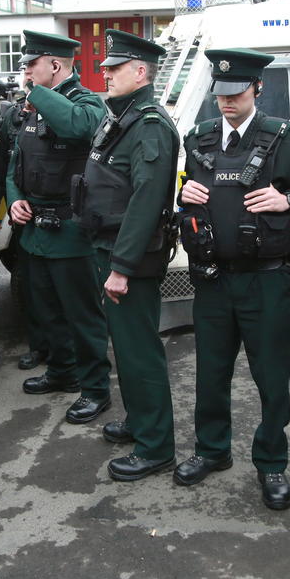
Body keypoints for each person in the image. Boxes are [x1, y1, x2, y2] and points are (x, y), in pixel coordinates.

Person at [175, 48, 290, 509]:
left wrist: (288, 200)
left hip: (265, 280)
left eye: (236, 93)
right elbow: (192, 196)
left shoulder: (284, 138)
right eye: (221, 93)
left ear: (257, 89)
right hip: (213, 280)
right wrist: (185, 193)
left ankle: (272, 464)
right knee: (211, 373)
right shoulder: (199, 139)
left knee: (271, 376)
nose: (226, 101)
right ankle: (212, 450)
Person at [72, 29, 179, 481]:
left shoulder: (150, 124)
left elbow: (146, 202)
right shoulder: (124, 117)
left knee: (139, 352)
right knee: (127, 348)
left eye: (114, 69)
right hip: (109, 249)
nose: (106, 75)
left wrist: (121, 268)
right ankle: (139, 423)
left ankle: (156, 447)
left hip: (129, 257)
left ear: (140, 72)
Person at [6, 30, 111, 422]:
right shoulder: (32, 105)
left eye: (31, 65)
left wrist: (36, 94)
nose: (26, 74)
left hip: (72, 231)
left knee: (82, 316)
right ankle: (63, 371)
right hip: (36, 228)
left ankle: (96, 389)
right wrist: (15, 196)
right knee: (46, 310)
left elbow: (78, 127)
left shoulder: (86, 103)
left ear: (55, 65)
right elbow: (17, 159)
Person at [0, 90, 50, 371]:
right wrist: (1, 204)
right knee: (31, 285)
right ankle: (39, 345)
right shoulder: (13, 118)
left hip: (60, 216)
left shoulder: (69, 114)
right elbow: (3, 167)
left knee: (66, 291)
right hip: (24, 217)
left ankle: (67, 353)